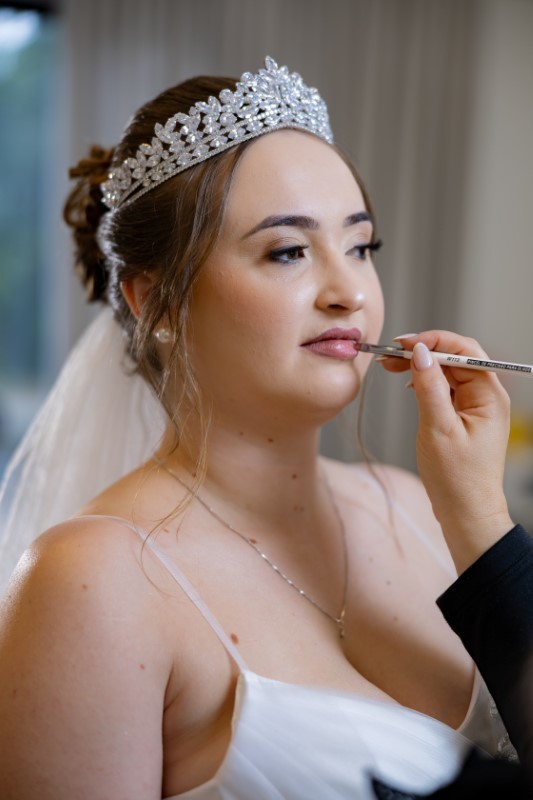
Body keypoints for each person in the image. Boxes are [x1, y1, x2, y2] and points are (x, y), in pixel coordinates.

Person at [0, 56, 525, 800]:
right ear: (156, 303)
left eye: (360, 246)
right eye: (288, 251)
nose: (348, 292)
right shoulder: (91, 581)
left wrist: (481, 519)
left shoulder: (417, 506)